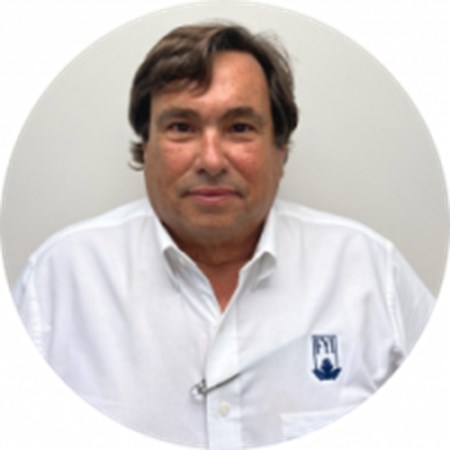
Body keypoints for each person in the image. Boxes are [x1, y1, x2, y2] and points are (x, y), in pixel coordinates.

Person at [13, 23, 435, 450]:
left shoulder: (371, 274)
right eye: (182, 127)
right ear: (146, 146)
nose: (211, 160)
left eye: (239, 128)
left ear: (280, 150)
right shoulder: (57, 283)